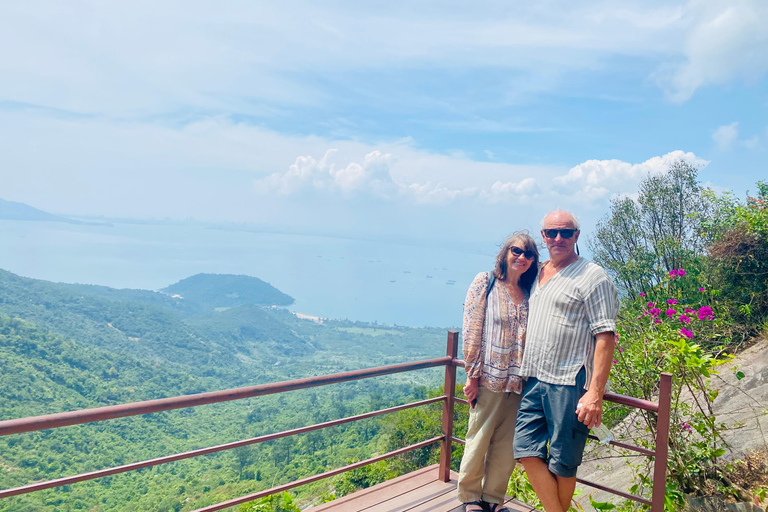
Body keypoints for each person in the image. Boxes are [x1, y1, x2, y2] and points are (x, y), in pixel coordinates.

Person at [512, 210, 619, 512]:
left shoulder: (592, 276)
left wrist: (595, 393)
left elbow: (605, 335)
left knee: (562, 463)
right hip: (534, 378)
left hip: (570, 383)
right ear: (543, 236)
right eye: (551, 232)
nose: (558, 238)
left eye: (566, 232)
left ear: (576, 236)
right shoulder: (540, 271)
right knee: (525, 450)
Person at [458, 232, 540, 512]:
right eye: (517, 251)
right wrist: (472, 374)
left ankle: (493, 499)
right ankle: (470, 496)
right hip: (489, 379)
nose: (522, 257)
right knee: (478, 438)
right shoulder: (486, 282)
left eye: (529, 254)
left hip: (519, 382)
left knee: (506, 445)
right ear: (505, 253)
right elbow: (471, 329)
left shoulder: (530, 294)